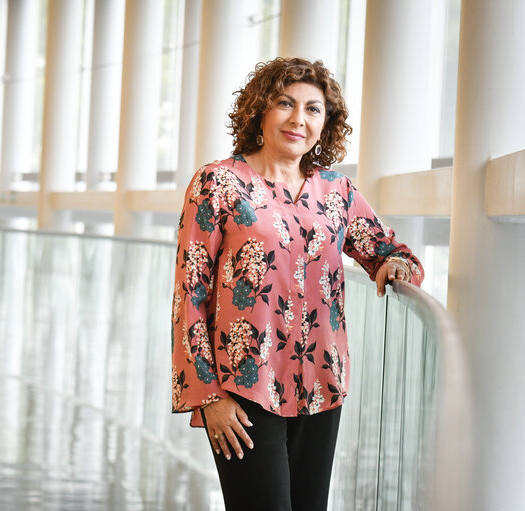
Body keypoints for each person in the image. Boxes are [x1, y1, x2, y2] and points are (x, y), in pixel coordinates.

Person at [170, 57, 424, 510]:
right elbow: (190, 294)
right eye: (285, 103)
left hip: (322, 384)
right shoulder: (218, 183)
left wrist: (396, 267)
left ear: (325, 124)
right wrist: (208, 397)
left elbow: (386, 250)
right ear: (260, 111)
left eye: (313, 109)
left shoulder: (337, 192)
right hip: (243, 388)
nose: (298, 119)